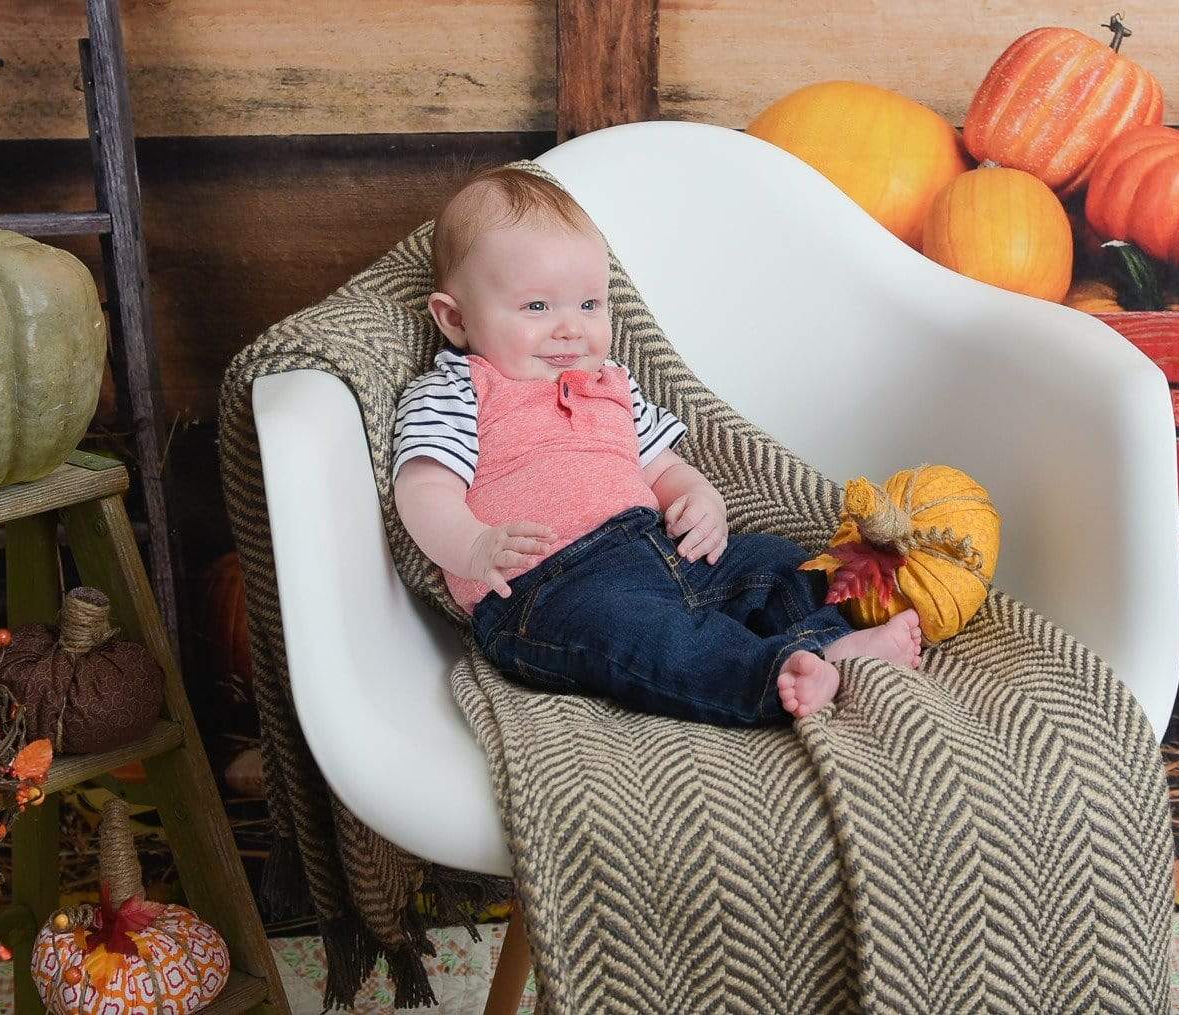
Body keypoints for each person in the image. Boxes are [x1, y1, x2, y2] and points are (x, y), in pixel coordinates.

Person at [391, 166, 920, 726]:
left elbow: (662, 468)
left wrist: (700, 498)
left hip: (659, 551)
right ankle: (772, 676)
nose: (570, 329)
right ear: (454, 318)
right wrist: (473, 547)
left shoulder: (613, 386)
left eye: (590, 305)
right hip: (547, 592)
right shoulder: (459, 390)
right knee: (649, 639)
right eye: (537, 308)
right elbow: (424, 488)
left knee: (779, 564)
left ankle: (830, 645)